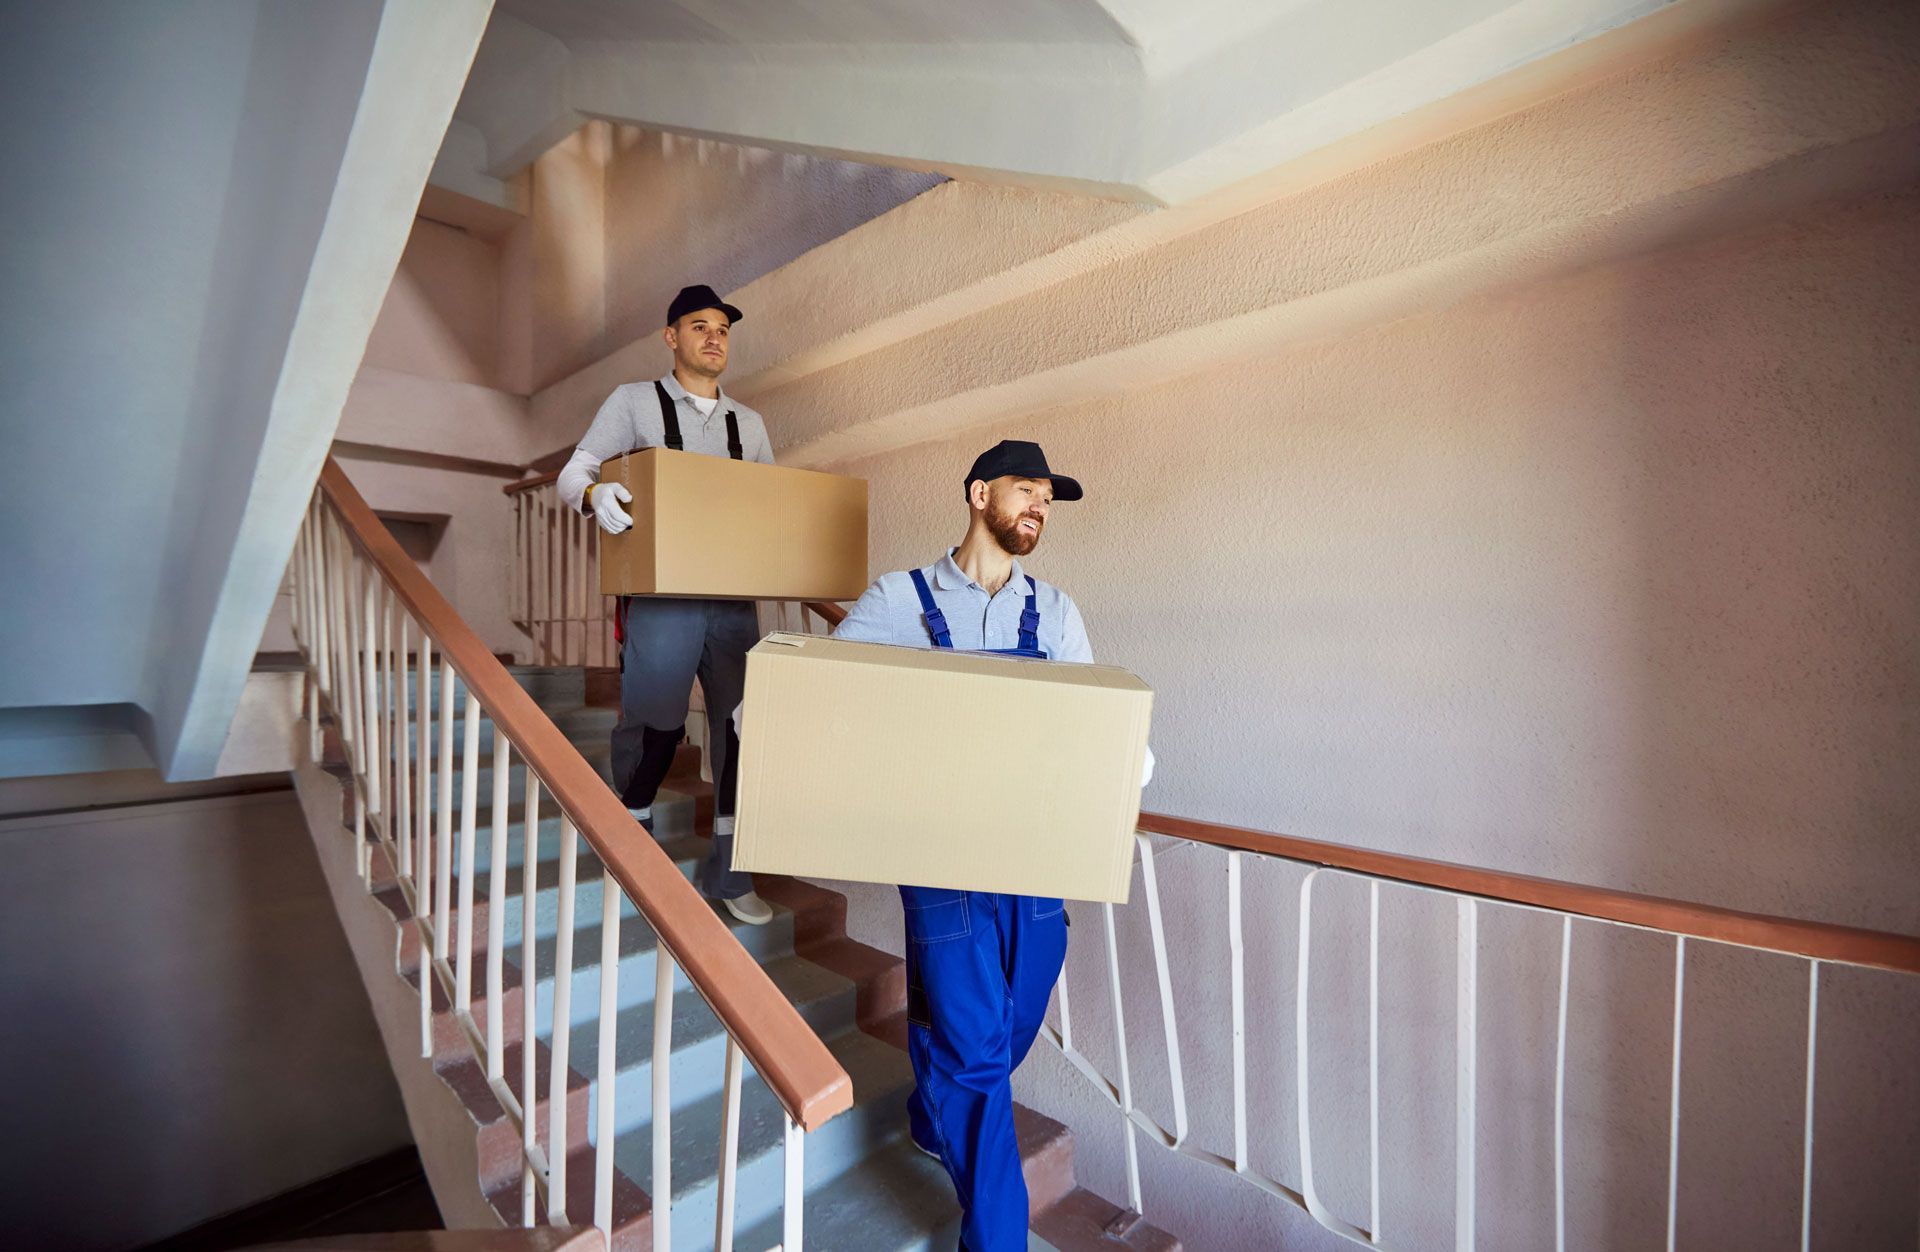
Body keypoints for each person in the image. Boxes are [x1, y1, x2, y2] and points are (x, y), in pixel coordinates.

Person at [830, 438, 1143, 1251]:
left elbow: (1088, 713)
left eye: (1049, 496)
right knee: (974, 1051)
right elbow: (824, 696)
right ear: (978, 494)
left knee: (1019, 1009)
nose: (1040, 505)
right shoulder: (899, 602)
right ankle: (994, 1236)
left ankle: (930, 1113)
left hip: (1034, 856)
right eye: (1026, 489)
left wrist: (1125, 756)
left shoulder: (1057, 612)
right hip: (941, 859)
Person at [556, 284, 775, 926]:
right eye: (698, 325)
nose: (714, 337)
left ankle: (732, 876)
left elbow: (772, 509)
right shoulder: (634, 402)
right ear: (671, 337)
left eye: (723, 329)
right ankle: (634, 853)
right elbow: (575, 470)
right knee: (655, 724)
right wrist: (594, 496)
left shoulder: (750, 425)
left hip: (734, 601)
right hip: (662, 597)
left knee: (743, 732)